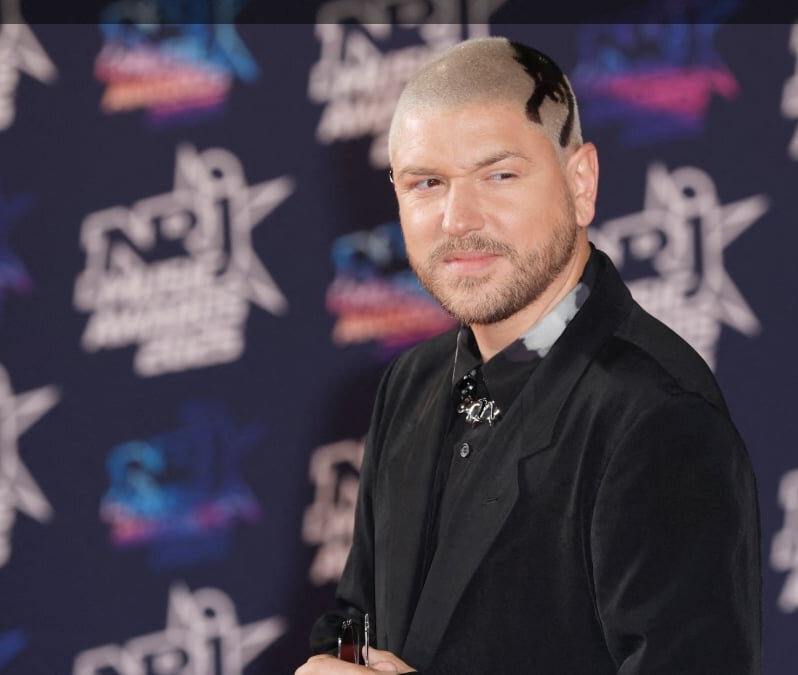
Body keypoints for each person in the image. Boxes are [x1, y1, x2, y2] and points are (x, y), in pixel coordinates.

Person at [296, 37, 761, 675]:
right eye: (428, 182)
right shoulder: (411, 383)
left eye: (499, 175)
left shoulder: (656, 417)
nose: (458, 218)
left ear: (581, 182)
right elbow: (358, 619)